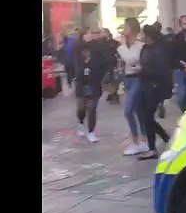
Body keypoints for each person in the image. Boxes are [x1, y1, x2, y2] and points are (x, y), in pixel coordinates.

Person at [135, 23, 173, 160]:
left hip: (154, 87)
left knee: (147, 116)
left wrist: (142, 70)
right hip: (145, 85)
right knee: (147, 117)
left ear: (148, 35)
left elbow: (161, 72)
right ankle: (165, 138)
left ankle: (152, 148)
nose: (141, 36)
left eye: (143, 34)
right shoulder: (145, 48)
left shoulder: (158, 51)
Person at [72, 26, 112, 143]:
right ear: (82, 36)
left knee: (92, 107)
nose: (90, 35)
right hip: (81, 82)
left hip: (94, 81)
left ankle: (91, 131)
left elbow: (104, 62)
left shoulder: (97, 48)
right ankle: (80, 123)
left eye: (91, 33)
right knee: (81, 107)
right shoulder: (77, 48)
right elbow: (74, 63)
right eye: (87, 33)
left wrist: (100, 74)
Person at [117, 18, 146, 155]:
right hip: (127, 79)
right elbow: (127, 62)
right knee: (138, 110)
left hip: (137, 79)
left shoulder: (139, 45)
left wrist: (122, 47)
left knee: (128, 111)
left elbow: (130, 59)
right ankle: (143, 141)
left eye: (126, 26)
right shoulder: (123, 46)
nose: (124, 29)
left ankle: (137, 141)